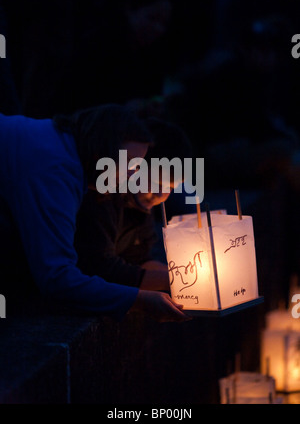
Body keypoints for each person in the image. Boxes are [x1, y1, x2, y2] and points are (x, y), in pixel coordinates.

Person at [0, 104, 189, 322]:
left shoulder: (58, 145)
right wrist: (140, 299)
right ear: (104, 150)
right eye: (130, 164)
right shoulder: (56, 174)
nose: (130, 178)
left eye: (137, 168)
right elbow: (57, 278)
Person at [74, 116, 193, 292]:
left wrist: (187, 275)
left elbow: (138, 258)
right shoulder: (100, 198)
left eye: (170, 188)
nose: (160, 195)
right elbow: (99, 267)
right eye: (156, 183)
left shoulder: (141, 206)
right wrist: (178, 281)